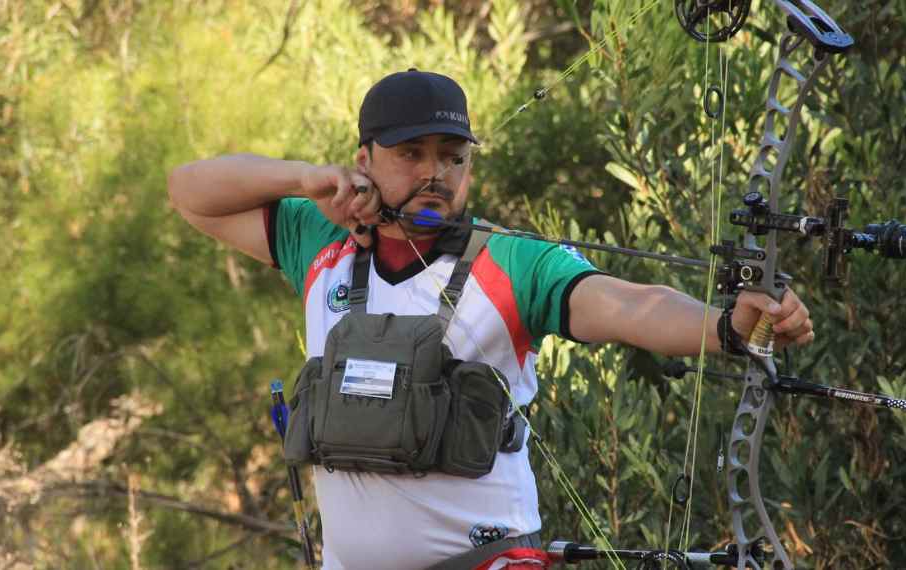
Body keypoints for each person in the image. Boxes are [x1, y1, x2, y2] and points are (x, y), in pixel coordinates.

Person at [168, 69, 814, 570]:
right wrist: (308, 178)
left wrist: (733, 325)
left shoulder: (511, 262)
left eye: (453, 156)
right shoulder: (319, 241)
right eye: (410, 153)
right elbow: (188, 191)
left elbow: (627, 304)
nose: (435, 173)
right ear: (363, 159)